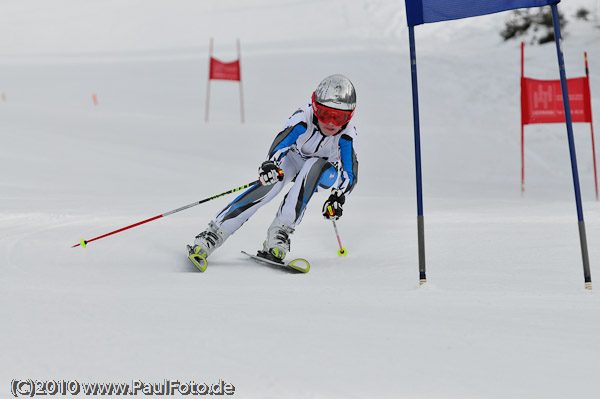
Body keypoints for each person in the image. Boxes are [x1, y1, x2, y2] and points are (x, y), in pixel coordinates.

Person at [189, 74, 358, 267]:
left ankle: (281, 231)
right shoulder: (304, 117)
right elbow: (281, 143)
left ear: (349, 117)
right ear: (315, 108)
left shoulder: (347, 134)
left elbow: (350, 171)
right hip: (293, 158)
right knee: (272, 183)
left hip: (323, 171)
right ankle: (215, 232)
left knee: (315, 164)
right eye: (325, 114)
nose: (331, 123)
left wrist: (338, 196)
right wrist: (271, 165)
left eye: (339, 117)